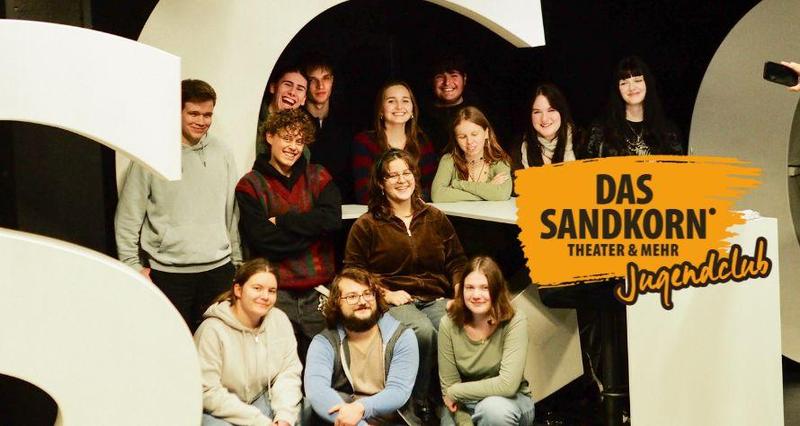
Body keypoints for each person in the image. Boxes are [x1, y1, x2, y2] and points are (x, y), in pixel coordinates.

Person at [344, 148, 466, 421]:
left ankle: (447, 397)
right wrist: (385, 294)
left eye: (406, 173)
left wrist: (460, 292)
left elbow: (457, 261)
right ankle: (416, 400)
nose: (401, 180)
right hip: (394, 300)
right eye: (393, 175)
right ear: (381, 183)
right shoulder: (367, 224)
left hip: (435, 297)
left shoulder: (434, 217)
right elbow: (353, 273)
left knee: (449, 327)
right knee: (422, 332)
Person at [115, 79, 242, 331]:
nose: (201, 121)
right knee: (172, 345)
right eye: (193, 113)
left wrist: (237, 262)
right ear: (178, 112)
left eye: (207, 115)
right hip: (168, 274)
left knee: (217, 346)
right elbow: (129, 215)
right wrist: (132, 265)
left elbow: (232, 213)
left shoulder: (223, 153)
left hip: (218, 271)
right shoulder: (152, 155)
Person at [236, 108, 342, 364]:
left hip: (319, 291)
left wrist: (283, 221)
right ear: (270, 137)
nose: (293, 147)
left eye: (299, 140)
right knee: (278, 366)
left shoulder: (319, 175)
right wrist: (314, 232)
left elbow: (332, 221)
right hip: (276, 293)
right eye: (286, 138)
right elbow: (264, 241)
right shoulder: (249, 185)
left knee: (325, 365)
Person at [304, 268, 419, 425]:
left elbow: (398, 391)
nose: (362, 301)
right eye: (352, 296)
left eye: (367, 294)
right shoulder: (325, 342)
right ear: (337, 303)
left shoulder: (401, 337)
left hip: (392, 419)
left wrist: (361, 408)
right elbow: (317, 390)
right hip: (345, 420)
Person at [195, 258, 302, 426]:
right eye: (257, 288)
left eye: (272, 291)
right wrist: (260, 423)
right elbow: (208, 391)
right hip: (221, 410)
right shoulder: (212, 330)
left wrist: (284, 418)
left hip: (262, 399)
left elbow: (288, 373)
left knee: (301, 409)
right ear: (238, 290)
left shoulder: (279, 319)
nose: (265, 296)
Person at [438, 256, 534, 426]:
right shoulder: (448, 324)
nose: (476, 295)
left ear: (496, 290)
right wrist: (464, 422)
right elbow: (449, 386)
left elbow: (507, 385)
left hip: (509, 402)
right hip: (463, 405)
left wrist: (455, 391)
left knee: (492, 410)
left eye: (485, 288)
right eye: (470, 287)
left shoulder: (515, 320)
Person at [352, 81, 437, 204]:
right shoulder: (365, 142)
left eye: (405, 101)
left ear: (412, 109)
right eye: (391, 101)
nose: (399, 106)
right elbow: (364, 192)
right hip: (379, 212)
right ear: (380, 110)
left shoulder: (422, 142)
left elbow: (430, 188)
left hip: (416, 211)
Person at [585, 56, 683, 158]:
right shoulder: (601, 130)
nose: (631, 87)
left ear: (647, 83)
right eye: (624, 83)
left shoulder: (668, 131)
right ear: (617, 89)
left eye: (637, 80)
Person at [303, 56, 356, 204]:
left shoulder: (347, 123)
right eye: (313, 80)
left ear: (332, 80)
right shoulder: (296, 123)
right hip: (307, 206)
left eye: (325, 78)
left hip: (344, 205)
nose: (320, 86)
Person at [431, 106, 512, 202]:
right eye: (462, 137)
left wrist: (458, 184)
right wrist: (487, 190)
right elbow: (437, 195)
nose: (469, 141)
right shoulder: (448, 160)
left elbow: (502, 194)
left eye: (474, 134)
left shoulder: (500, 161)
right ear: (456, 139)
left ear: (486, 133)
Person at [420, 55, 484, 155]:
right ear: (432, 81)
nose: (447, 82)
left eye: (454, 75)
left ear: (464, 79)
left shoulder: (478, 111)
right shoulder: (421, 116)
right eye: (440, 77)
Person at [511, 83, 579, 172]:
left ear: (561, 111)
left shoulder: (580, 142)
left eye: (551, 110)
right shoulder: (518, 149)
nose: (544, 119)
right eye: (537, 112)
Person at [255, 66, 309, 154]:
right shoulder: (252, 121)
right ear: (273, 87)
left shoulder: (302, 151)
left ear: (304, 99)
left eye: (299, 89)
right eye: (287, 84)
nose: (292, 92)